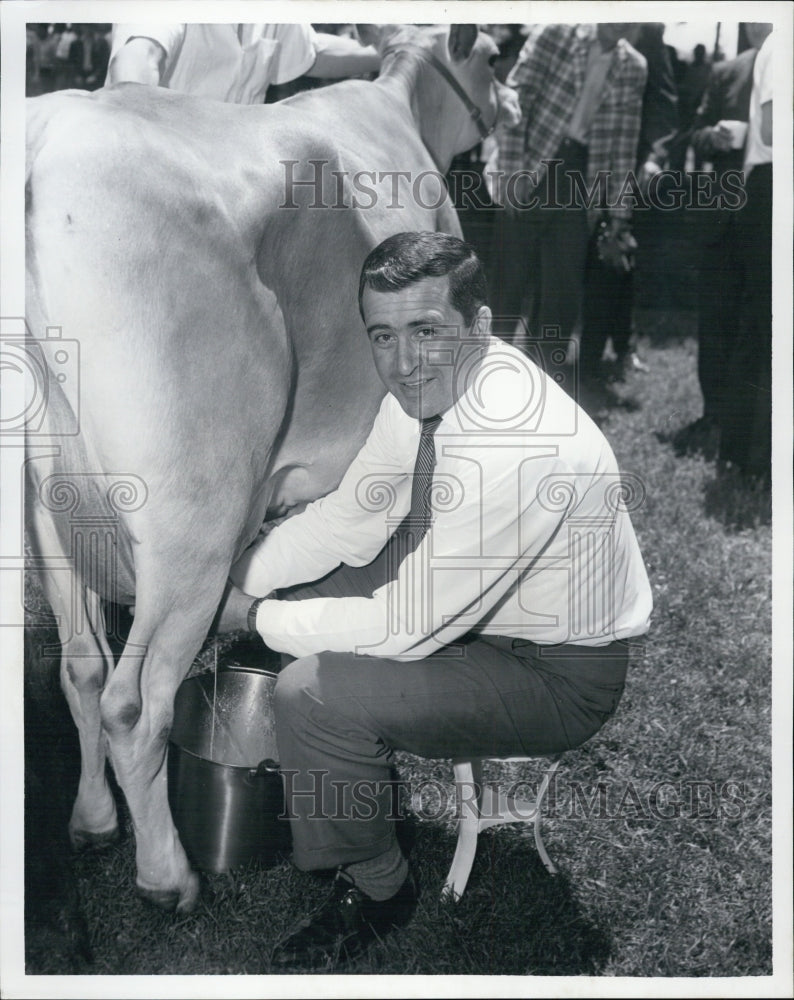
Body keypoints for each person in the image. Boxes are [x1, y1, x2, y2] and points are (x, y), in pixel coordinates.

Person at [216, 231, 653, 970]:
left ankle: (380, 889)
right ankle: (336, 788)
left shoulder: (513, 445)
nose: (401, 360)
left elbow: (406, 627)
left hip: (558, 671)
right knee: (303, 597)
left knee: (312, 693)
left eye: (426, 331)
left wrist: (252, 617)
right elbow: (355, 514)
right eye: (382, 336)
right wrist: (242, 573)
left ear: (480, 327)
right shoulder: (425, 389)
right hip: (491, 607)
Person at [488, 24, 646, 374]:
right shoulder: (554, 35)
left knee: (562, 294)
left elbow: (624, 141)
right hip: (531, 162)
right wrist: (513, 173)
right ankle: (486, 379)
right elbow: (516, 101)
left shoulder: (634, 66)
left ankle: (542, 387)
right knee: (506, 286)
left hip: (582, 180)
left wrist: (619, 211)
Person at [678, 23, 772, 460]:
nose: (759, 23)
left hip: (767, 213)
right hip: (723, 216)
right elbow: (693, 134)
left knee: (756, 322)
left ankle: (750, 423)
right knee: (716, 317)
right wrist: (712, 137)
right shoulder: (727, 72)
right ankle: (714, 412)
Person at [580, 23, 679, 382]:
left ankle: (614, 351)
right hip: (578, 161)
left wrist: (654, 156)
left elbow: (664, 103)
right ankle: (585, 354)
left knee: (616, 261)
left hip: (626, 164)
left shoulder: (647, 33)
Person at [718, 30, 773, 481]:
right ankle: (754, 460)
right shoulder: (782, 46)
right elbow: (774, 128)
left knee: (760, 329)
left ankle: (744, 455)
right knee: (765, 330)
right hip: (771, 186)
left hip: (768, 185)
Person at [105, 22, 380, 104]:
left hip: (235, 179)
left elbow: (312, 52)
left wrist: (396, 48)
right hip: (169, 167)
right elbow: (137, 58)